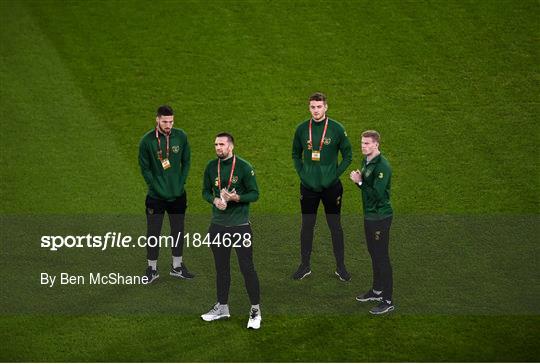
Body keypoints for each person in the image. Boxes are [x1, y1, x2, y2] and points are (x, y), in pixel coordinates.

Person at [200, 132, 262, 330]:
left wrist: (236, 198)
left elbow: (255, 194)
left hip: (240, 226)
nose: (218, 148)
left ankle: (255, 310)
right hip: (218, 226)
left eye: (221, 144)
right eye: (216, 144)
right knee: (221, 268)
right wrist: (215, 200)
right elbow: (204, 191)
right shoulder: (211, 167)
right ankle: (222, 307)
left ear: (231, 147)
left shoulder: (243, 167)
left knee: (247, 268)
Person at [291, 92, 353, 281]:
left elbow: (348, 155)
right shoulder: (302, 129)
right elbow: (295, 154)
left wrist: (334, 174)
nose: (316, 110)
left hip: (331, 188)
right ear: (309, 108)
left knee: (335, 227)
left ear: (326, 107)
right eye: (312, 107)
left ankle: (341, 267)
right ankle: (305, 265)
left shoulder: (336, 129)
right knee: (307, 227)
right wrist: (303, 173)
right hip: (308, 188)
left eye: (319, 107)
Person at [138, 105, 194, 283]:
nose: (168, 125)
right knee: (153, 233)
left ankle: (177, 266)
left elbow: (186, 161)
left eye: (171, 121)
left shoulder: (181, 136)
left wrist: (181, 181)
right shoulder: (147, 141)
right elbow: (145, 168)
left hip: (178, 195)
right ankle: (152, 269)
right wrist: (155, 186)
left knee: (178, 231)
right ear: (157, 120)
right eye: (164, 122)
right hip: (156, 197)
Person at [349, 130, 394, 314]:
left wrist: (359, 183)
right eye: (362, 142)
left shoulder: (382, 166)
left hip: (380, 217)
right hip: (369, 216)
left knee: (382, 257)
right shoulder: (366, 160)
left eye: (367, 143)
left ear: (376, 144)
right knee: (373, 253)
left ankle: (388, 300)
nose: (363, 146)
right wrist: (360, 180)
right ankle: (376, 291)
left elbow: (377, 194)